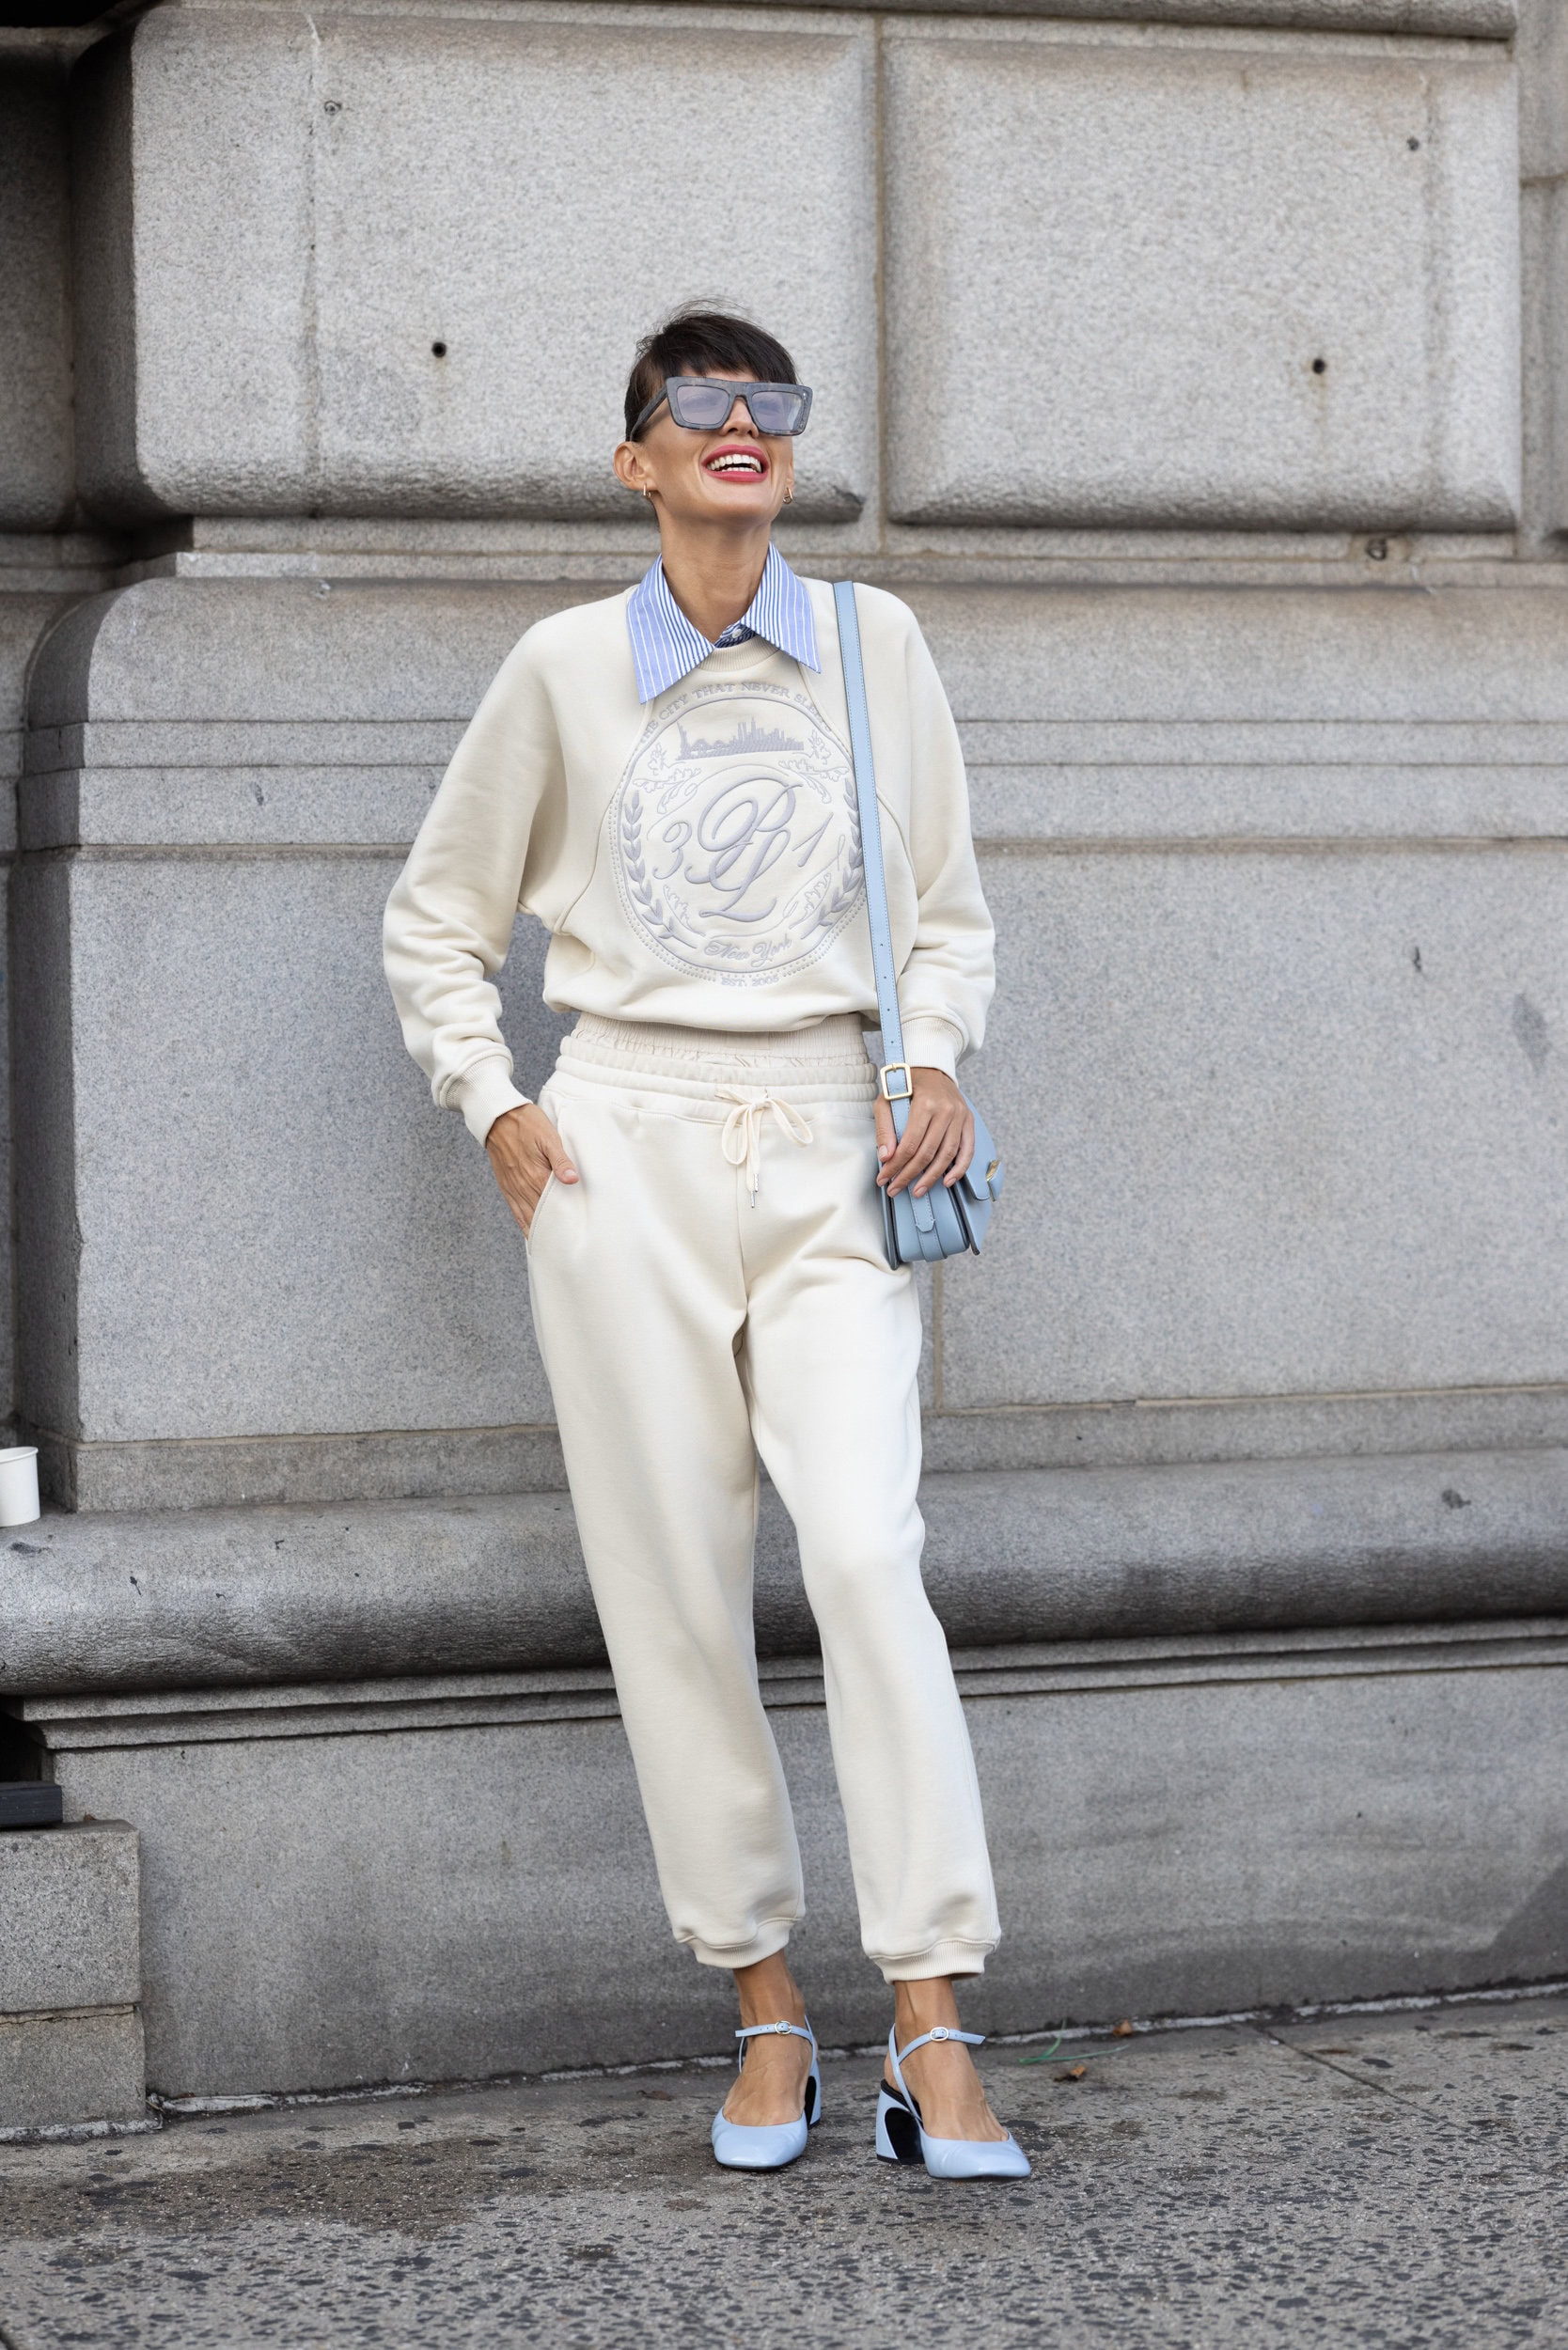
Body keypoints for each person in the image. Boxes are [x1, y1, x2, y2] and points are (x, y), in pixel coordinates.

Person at [384, 309, 1028, 2181]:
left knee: (866, 1549)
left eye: (770, 402)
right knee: (672, 1586)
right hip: (624, 1149)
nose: (741, 425)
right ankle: (763, 2006)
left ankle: (934, 2019)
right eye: (700, 403)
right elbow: (437, 917)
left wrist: (932, 1052)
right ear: (638, 460)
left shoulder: (873, 643)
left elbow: (947, 908)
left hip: (836, 1141)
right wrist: (493, 1100)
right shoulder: (564, 667)